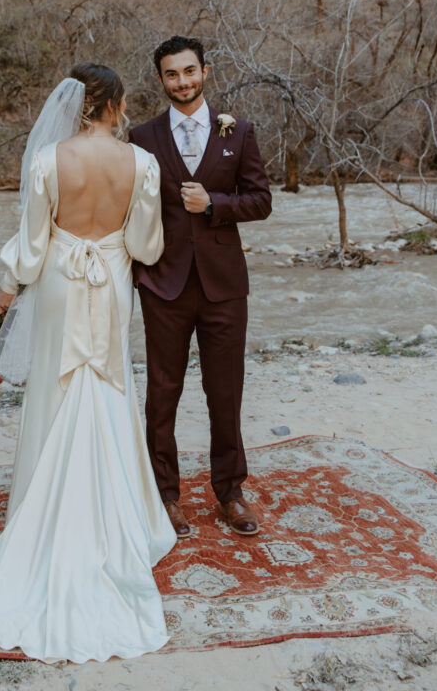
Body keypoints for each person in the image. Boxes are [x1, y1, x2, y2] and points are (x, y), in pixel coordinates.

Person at [0, 64, 176, 663]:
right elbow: (147, 247)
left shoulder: (49, 161)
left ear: (76, 105)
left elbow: (31, 250)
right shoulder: (144, 165)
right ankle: (118, 520)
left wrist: (3, 295)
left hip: (58, 284)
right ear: (116, 104)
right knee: (106, 383)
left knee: (55, 389)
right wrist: (111, 246)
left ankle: (38, 511)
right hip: (110, 284)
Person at [129, 36, 272, 540]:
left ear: (205, 72)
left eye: (189, 72)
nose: (182, 82)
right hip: (163, 283)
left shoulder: (239, 132)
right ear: (162, 80)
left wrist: (214, 203)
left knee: (225, 392)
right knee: (162, 393)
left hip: (224, 286)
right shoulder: (140, 138)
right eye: (172, 74)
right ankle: (164, 496)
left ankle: (230, 492)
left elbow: (260, 201)